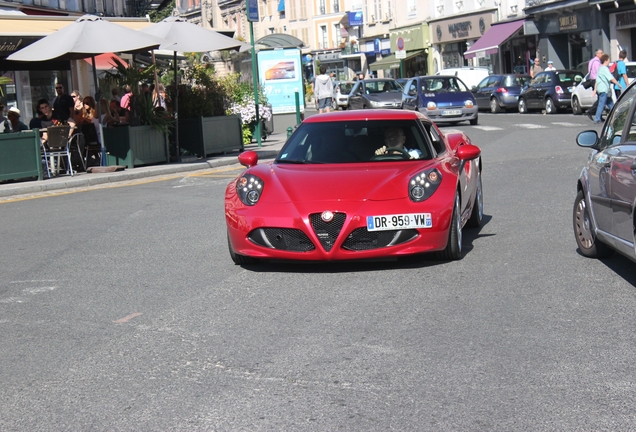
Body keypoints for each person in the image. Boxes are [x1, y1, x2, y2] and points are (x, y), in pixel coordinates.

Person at [593, 53, 623, 124]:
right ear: (605, 60)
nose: (609, 61)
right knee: (601, 104)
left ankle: (616, 117)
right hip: (604, 89)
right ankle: (597, 119)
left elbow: (597, 80)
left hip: (602, 89)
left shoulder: (600, 69)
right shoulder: (604, 69)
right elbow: (611, 78)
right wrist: (618, 84)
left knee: (611, 104)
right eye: (609, 60)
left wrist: (595, 89)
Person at [587, 48, 604, 120]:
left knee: (601, 98)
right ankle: (591, 111)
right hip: (596, 81)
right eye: (601, 53)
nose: (602, 54)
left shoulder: (591, 61)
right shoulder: (597, 62)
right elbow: (599, 72)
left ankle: (599, 116)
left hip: (593, 80)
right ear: (597, 54)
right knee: (601, 98)